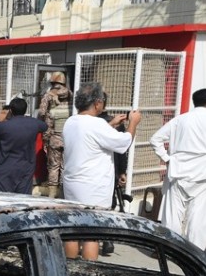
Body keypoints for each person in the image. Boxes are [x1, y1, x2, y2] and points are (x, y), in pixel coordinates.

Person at [62, 81, 140, 260]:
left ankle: (69, 266)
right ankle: (89, 271)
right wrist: (133, 123)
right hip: (93, 187)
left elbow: (91, 137)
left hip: (73, 184)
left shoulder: (71, 122)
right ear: (97, 103)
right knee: (91, 234)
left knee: (73, 230)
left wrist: (110, 124)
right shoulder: (97, 124)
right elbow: (123, 143)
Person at [150, 87, 206, 249]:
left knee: (172, 215)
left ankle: (169, 250)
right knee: (198, 218)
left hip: (177, 170)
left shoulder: (180, 120)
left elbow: (155, 139)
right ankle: (195, 253)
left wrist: (167, 159)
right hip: (202, 173)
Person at [0, 97, 48, 194]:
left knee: (2, 198)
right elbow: (44, 126)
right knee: (22, 199)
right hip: (26, 168)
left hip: (5, 168)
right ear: (25, 110)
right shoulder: (33, 123)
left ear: (10, 110)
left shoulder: (3, 126)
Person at [36, 72, 72, 197]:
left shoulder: (48, 95)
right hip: (68, 137)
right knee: (65, 165)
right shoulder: (70, 95)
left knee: (53, 165)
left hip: (53, 135)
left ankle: (52, 192)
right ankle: (63, 190)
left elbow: (41, 112)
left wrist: (45, 137)